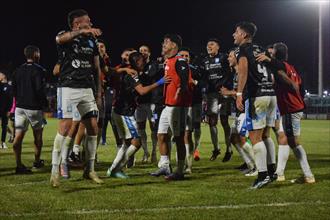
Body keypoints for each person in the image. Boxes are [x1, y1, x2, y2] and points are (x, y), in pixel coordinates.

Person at [50, 9, 103, 187]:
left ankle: (90, 170)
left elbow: (97, 68)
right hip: (68, 87)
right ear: (77, 23)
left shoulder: (92, 41)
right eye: (87, 20)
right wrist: (82, 32)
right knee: (64, 128)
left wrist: (99, 93)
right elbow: (59, 39)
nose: (91, 22)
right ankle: (54, 171)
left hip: (87, 88)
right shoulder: (65, 36)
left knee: (93, 127)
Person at [256, 42, 315, 184]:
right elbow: (298, 84)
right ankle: (301, 174)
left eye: (272, 52)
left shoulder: (281, 68)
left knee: (293, 142)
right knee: (292, 141)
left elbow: (280, 70)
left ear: (275, 54)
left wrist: (269, 61)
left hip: (291, 108)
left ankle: (308, 175)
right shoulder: (292, 68)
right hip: (296, 107)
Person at [106, 52, 169, 178]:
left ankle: (113, 169)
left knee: (126, 143)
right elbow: (142, 91)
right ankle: (115, 169)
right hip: (124, 113)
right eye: (140, 60)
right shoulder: (132, 74)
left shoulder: (129, 72)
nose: (143, 62)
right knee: (136, 143)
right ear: (135, 61)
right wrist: (160, 82)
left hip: (119, 110)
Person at [233, 21, 277, 189]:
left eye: (236, 32)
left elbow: (243, 71)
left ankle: (263, 175)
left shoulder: (242, 49)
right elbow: (271, 74)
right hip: (271, 94)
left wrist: (239, 94)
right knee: (266, 135)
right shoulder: (261, 49)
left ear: (244, 35)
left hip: (257, 96)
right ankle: (272, 171)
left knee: (255, 137)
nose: (234, 35)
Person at [150, 34, 192, 181]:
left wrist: (180, 91)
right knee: (161, 135)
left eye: (166, 42)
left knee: (179, 138)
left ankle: (180, 171)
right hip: (167, 106)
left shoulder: (179, 60)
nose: (163, 45)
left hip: (177, 106)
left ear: (174, 45)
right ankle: (165, 166)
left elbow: (184, 78)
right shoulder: (168, 60)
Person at [12, 45, 47, 174]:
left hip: (20, 107)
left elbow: (14, 89)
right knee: (38, 136)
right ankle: (37, 162)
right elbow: (39, 89)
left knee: (18, 136)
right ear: (36, 55)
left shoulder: (18, 70)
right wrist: (44, 103)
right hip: (34, 107)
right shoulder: (39, 70)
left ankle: (18, 164)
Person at [220, 48, 256, 176]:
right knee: (234, 138)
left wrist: (229, 93)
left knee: (242, 137)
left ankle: (256, 167)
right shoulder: (235, 73)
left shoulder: (243, 71)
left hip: (246, 109)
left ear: (236, 57)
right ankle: (249, 164)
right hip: (240, 110)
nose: (228, 58)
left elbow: (246, 92)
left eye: (230, 56)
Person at [200, 38, 233, 162]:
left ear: (218, 47)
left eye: (212, 44)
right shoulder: (204, 60)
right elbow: (203, 76)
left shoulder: (224, 58)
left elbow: (230, 72)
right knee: (212, 121)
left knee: (224, 121)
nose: (209, 46)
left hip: (224, 92)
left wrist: (226, 86)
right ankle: (216, 148)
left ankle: (229, 149)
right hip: (211, 94)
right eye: (208, 44)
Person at [135, 45, 160, 163]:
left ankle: (154, 152)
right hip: (139, 102)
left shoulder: (153, 64)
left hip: (152, 102)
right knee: (141, 128)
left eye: (145, 50)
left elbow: (149, 76)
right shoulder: (136, 65)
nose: (143, 52)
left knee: (153, 127)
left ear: (149, 53)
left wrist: (139, 74)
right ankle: (146, 152)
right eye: (140, 51)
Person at [0, 72, 13, 149]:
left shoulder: (9, 87)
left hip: (4, 110)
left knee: (4, 126)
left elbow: (10, 99)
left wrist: (9, 110)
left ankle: (3, 142)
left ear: (3, 76)